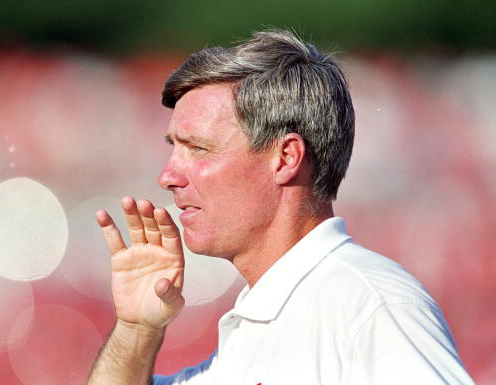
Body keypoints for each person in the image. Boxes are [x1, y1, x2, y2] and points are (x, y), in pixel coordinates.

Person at [85, 29, 475, 385]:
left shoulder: (369, 303)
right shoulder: (255, 329)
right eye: (174, 148)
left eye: (199, 148)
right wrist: (137, 329)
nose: (168, 176)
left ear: (286, 157)